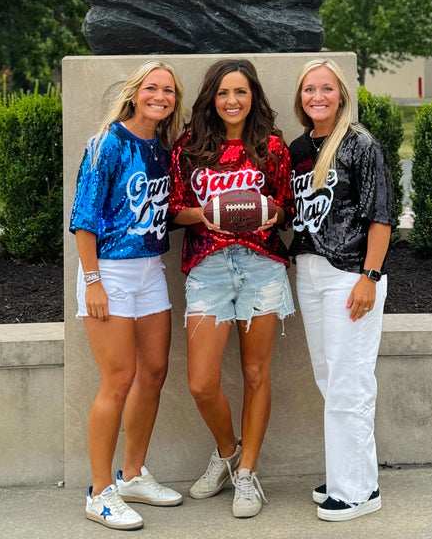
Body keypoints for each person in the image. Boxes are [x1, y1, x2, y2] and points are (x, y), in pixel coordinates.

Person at [169, 58, 294, 519]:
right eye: (223, 93)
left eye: (240, 92)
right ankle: (228, 453)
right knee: (202, 383)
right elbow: (174, 209)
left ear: (253, 96)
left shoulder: (272, 148)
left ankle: (248, 475)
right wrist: (204, 214)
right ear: (212, 98)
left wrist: (270, 212)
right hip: (208, 266)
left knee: (256, 374)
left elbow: (287, 208)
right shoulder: (191, 147)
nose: (232, 101)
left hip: (261, 265)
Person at [70, 61, 186, 531]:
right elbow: (84, 218)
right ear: (136, 93)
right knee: (117, 380)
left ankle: (133, 474)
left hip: (150, 271)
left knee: (154, 372)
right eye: (152, 88)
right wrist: (93, 280)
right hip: (110, 275)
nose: (161, 96)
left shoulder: (162, 149)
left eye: (169, 91)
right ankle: (99, 491)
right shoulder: (107, 143)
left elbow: (170, 212)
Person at [289, 59, 395, 523]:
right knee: (330, 378)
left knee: (350, 381)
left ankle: (355, 492)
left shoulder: (360, 145)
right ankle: (350, 474)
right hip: (309, 272)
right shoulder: (297, 147)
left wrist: (369, 277)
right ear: (301, 97)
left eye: (326, 89)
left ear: (342, 94)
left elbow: (380, 216)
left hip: (350, 274)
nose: (318, 96)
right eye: (310, 89)